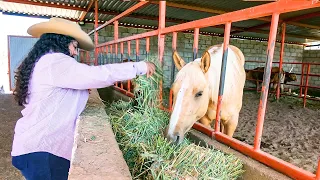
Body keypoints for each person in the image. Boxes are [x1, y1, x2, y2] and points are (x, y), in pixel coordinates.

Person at [11, 17, 156, 180]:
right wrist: (139, 67)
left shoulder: (43, 62)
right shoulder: (55, 62)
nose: (74, 52)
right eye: (74, 46)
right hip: (44, 151)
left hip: (35, 146)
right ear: (60, 41)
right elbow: (98, 74)